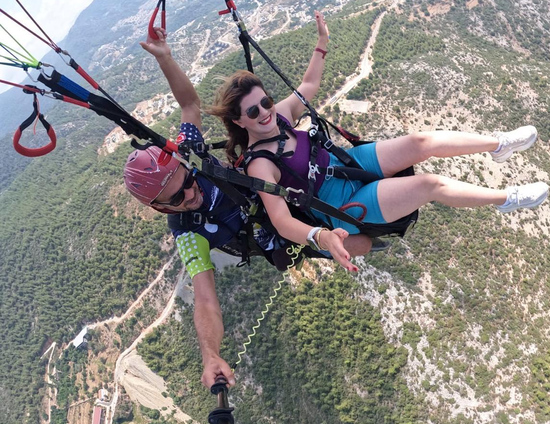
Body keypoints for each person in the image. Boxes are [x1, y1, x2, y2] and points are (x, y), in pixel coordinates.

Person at [209, 10, 550, 276]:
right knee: (429, 184)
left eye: (265, 102)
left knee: (421, 141)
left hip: (348, 163)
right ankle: (508, 198)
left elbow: (309, 85)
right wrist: (320, 237)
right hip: (343, 204)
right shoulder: (260, 164)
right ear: (239, 121)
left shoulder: (280, 114)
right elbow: (282, 221)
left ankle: (499, 145)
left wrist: (322, 41)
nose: (265, 112)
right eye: (253, 111)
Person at [123, 25, 371, 389]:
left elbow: (189, 105)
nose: (190, 194)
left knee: (365, 226)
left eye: (188, 181)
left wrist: (165, 58)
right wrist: (210, 354)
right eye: (176, 199)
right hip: (279, 234)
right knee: (362, 243)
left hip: (280, 192)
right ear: (159, 207)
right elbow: (205, 298)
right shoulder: (187, 234)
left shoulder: (190, 155)